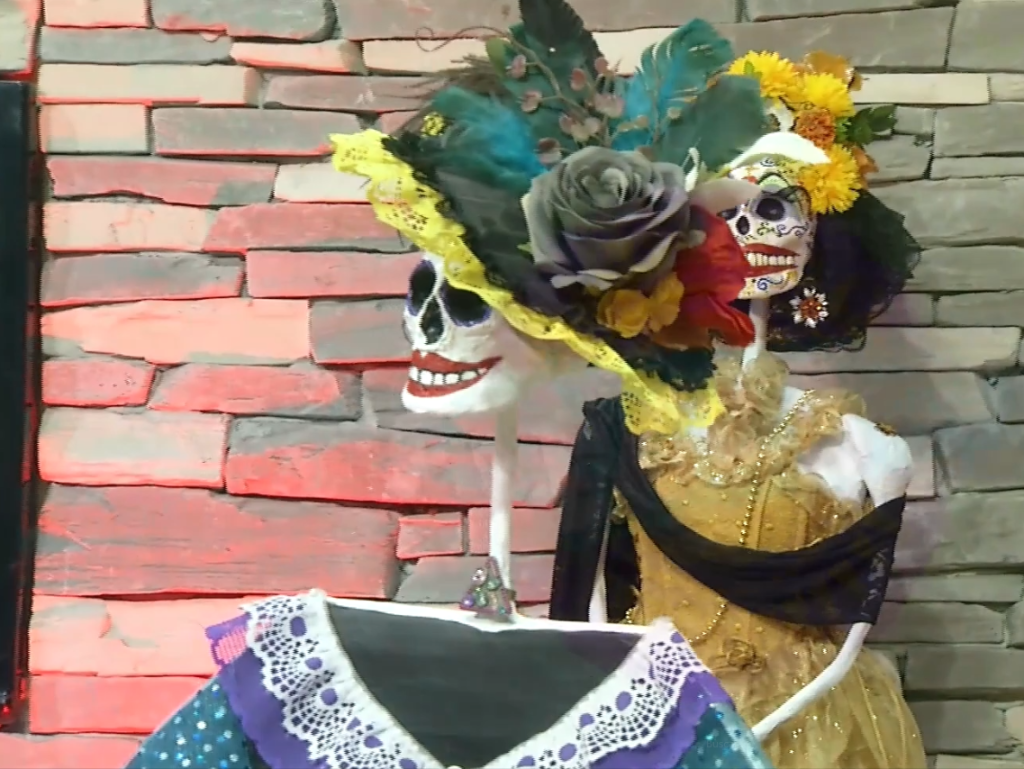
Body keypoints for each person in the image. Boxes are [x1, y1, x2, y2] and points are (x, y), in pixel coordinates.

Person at [122, 2, 839, 767]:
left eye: (465, 301)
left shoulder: (659, 708)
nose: (425, 329)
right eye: (423, 293)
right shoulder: (292, 674)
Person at [548, 50, 928, 769]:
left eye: (775, 208)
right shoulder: (630, 428)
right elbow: (591, 595)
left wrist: (761, 727)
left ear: (817, 231)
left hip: (807, 723)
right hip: (657, 711)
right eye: (724, 212)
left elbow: (855, 622)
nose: (748, 231)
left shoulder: (858, 445)